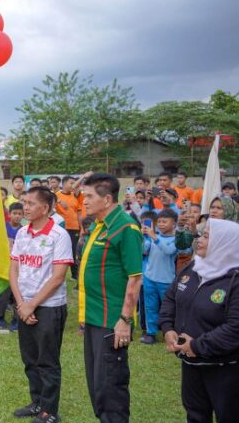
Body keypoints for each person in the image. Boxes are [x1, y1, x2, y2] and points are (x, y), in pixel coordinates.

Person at [159, 219, 239, 423]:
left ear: (225, 242)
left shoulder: (235, 280)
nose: (199, 240)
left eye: (207, 236)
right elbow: (171, 297)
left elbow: (234, 328)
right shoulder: (194, 267)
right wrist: (168, 328)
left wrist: (196, 345)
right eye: (202, 234)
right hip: (192, 364)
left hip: (226, 369)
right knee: (195, 415)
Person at [79, 173, 143, 423]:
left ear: (106, 199)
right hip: (95, 318)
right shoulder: (99, 225)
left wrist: (125, 320)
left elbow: (135, 278)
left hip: (112, 322)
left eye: (89, 196)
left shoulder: (125, 227)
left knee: (110, 388)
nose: (84, 201)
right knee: (97, 385)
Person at [9, 187, 73, 423]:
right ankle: (36, 402)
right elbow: (14, 269)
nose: (25, 207)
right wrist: (21, 304)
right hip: (24, 305)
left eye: (30, 203)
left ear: (45, 208)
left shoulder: (59, 235)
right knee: (30, 359)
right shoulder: (22, 233)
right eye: (23, 202)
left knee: (47, 360)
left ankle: (49, 411)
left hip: (49, 307)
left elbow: (58, 277)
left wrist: (32, 304)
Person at [140, 209, 178, 345]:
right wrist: (143, 237)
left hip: (167, 281)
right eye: (159, 221)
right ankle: (151, 333)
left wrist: (154, 238)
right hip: (149, 278)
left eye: (164, 221)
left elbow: (169, 251)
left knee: (168, 308)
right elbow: (144, 250)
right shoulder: (152, 236)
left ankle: (171, 331)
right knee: (150, 307)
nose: (161, 224)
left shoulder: (176, 239)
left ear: (174, 224)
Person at [0, 202, 24, 332]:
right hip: (4, 267)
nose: (17, 216)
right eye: (14, 213)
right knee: (3, 294)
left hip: (19, 268)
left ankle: (16, 319)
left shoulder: (24, 231)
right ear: (9, 214)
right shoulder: (2, 228)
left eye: (19, 214)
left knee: (18, 293)